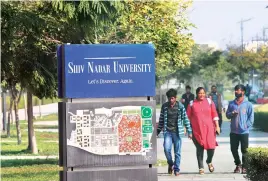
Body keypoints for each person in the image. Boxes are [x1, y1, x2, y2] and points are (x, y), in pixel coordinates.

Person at [157, 88, 192, 176]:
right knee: (166, 149)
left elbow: (185, 119)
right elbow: (161, 120)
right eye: (169, 98)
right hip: (167, 132)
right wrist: (157, 131)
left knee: (177, 152)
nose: (171, 100)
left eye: (172, 98)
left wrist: (189, 131)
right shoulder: (164, 106)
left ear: (175, 98)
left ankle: (176, 169)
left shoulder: (180, 106)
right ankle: (171, 163)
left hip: (177, 132)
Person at [187, 87, 220, 175]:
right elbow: (187, 117)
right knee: (199, 149)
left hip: (209, 129)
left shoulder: (209, 102)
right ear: (196, 94)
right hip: (197, 130)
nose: (201, 95)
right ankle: (201, 167)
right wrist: (188, 130)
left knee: (211, 148)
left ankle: (209, 161)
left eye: (203, 93)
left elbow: (214, 113)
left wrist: (217, 126)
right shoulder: (191, 104)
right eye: (199, 93)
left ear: (205, 94)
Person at [226, 84, 254, 174]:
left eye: (238, 90)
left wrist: (246, 126)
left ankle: (245, 167)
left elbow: (251, 118)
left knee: (244, 150)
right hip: (234, 131)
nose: (237, 92)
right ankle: (238, 165)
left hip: (244, 132)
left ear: (243, 92)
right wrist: (232, 114)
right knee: (233, 149)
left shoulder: (248, 104)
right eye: (236, 90)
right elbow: (227, 115)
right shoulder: (231, 103)